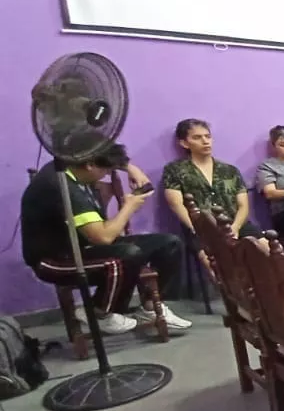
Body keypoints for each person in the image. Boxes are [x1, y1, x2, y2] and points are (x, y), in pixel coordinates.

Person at [21, 137, 191, 334]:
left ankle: (150, 307)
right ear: (90, 165)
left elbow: (101, 151)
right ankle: (98, 312)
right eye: (107, 170)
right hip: (55, 260)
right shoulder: (61, 186)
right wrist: (128, 207)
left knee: (169, 244)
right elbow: (103, 237)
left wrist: (130, 168)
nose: (107, 174)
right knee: (127, 256)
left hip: (84, 245)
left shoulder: (72, 166)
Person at [162, 119, 262, 241]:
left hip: (235, 225)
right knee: (211, 252)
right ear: (184, 143)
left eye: (208, 136)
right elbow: (176, 204)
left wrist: (235, 228)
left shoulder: (230, 170)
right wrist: (196, 229)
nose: (205, 141)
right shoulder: (175, 170)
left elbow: (243, 206)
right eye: (197, 138)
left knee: (264, 246)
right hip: (200, 230)